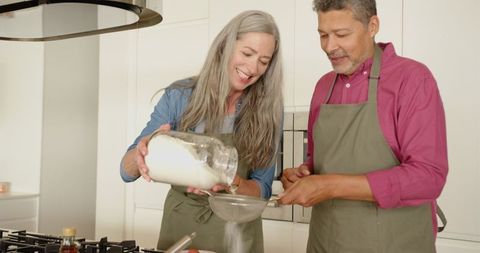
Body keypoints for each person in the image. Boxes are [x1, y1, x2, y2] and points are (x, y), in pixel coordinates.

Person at [278, 0, 448, 252]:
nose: (329, 46)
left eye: (341, 34)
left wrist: (330, 185)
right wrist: (303, 173)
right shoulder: (324, 86)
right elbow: (320, 159)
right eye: (323, 35)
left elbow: (428, 177)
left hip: (394, 244)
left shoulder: (412, 79)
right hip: (325, 242)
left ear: (372, 26)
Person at [120, 10, 284, 253]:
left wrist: (229, 182)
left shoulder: (268, 111)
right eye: (247, 53)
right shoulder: (180, 96)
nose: (252, 68)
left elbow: (263, 188)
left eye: (263, 61)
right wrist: (143, 153)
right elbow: (126, 171)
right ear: (225, 46)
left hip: (236, 234)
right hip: (182, 230)